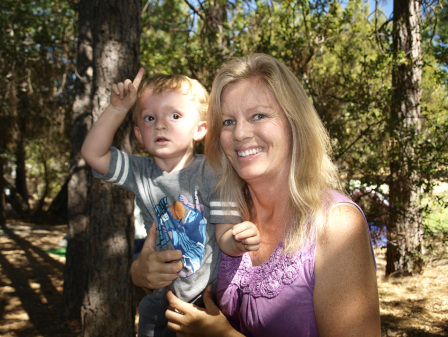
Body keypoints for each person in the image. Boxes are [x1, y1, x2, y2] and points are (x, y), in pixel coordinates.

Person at [132, 53, 381, 336]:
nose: (239, 133)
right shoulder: (221, 206)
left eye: (258, 116)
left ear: (293, 121)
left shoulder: (336, 224)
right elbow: (177, 274)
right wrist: (140, 272)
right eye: (227, 121)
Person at [80, 69, 261, 337]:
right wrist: (118, 108)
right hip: (160, 304)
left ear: (200, 129)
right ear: (139, 134)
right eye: (150, 118)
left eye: (174, 116)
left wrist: (238, 241)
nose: (160, 125)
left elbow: (225, 235)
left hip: (209, 303)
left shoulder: (214, 172)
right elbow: (92, 154)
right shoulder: (139, 172)